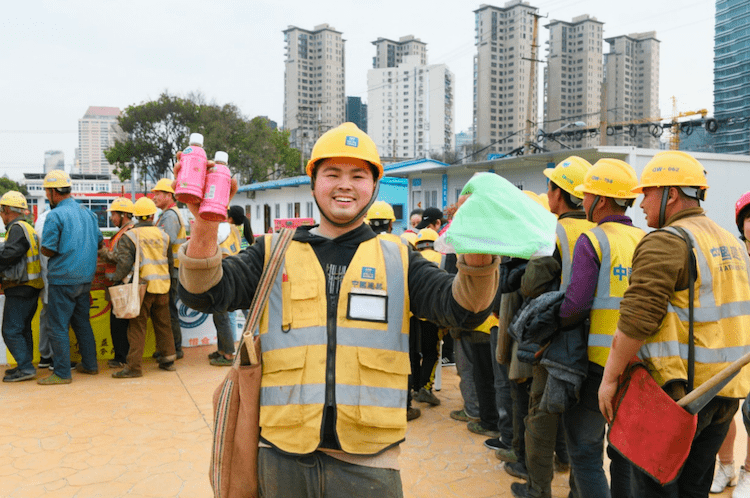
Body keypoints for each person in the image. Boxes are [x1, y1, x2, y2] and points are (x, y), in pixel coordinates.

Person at [177, 122, 499, 498]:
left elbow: (464, 309)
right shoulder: (271, 252)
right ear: (314, 181)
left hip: (368, 462)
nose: (345, 184)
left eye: (358, 175)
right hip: (281, 455)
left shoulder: (398, 258)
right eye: (332, 173)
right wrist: (205, 222)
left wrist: (477, 254)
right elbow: (203, 293)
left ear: (373, 185)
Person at [599, 151, 750, 497]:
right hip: (723, 395)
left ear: (672, 194)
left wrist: (609, 379)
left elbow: (637, 319)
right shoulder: (731, 243)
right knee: (693, 489)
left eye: (647, 193)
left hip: (677, 398)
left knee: (653, 488)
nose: (640, 204)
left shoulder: (667, 241)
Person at [545, 159, 644, 498]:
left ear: (600, 200)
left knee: (585, 450)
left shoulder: (595, 239)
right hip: (639, 366)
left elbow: (575, 305)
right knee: (624, 453)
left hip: (599, 367)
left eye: (586, 194)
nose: (583, 200)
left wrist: (553, 322)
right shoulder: (644, 239)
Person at [507, 156, 594, 491]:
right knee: (583, 430)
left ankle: (537, 488)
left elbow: (531, 286)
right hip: (595, 341)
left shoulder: (553, 233)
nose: (548, 192)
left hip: (556, 341)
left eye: (551, 186)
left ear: (561, 195)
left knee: (540, 418)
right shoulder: (598, 231)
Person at [38, 170, 103, 385]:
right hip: (85, 280)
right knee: (82, 323)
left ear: (53, 192)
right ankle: (90, 365)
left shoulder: (55, 216)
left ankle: (62, 373)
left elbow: (47, 249)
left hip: (62, 280)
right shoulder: (89, 214)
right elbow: (100, 244)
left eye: (47, 191)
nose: (47, 196)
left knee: (57, 326)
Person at [110, 197, 176, 378]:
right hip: (163, 286)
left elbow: (124, 264)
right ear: (153, 215)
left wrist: (116, 282)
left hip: (142, 289)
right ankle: (168, 358)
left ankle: (134, 367)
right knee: (163, 324)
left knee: (137, 327)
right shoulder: (164, 235)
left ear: (136, 216)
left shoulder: (130, 236)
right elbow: (170, 263)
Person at [711, 191, 750, 497]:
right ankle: (726, 466)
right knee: (723, 406)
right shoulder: (732, 253)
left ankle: (749, 471)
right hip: (731, 341)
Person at [0, 191, 44, 382]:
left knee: (10, 330)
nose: (1, 215)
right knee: (23, 329)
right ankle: (24, 365)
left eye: (1, 211)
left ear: (7, 209)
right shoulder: (27, 227)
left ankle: (26, 368)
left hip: (21, 287)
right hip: (30, 285)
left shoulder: (17, 228)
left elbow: (10, 254)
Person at [98, 197, 135, 368]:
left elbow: (120, 258)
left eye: (113, 214)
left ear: (124, 215)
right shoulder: (125, 231)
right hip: (122, 283)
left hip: (121, 284)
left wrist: (103, 251)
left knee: (119, 323)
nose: (111, 218)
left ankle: (121, 356)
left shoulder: (126, 233)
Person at [152, 178, 187, 359]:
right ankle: (170, 347)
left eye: (158, 194)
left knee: (169, 310)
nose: (154, 197)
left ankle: (175, 348)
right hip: (171, 269)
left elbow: (166, 241)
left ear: (168, 195)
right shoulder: (167, 214)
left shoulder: (170, 216)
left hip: (171, 270)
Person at [207, 219, 242, 366]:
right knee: (220, 315)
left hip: (221, 275)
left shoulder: (220, 229)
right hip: (230, 273)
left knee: (221, 316)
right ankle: (222, 350)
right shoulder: (232, 228)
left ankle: (228, 354)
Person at [34, 206, 53, 370]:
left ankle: (45, 356)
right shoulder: (55, 217)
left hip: (44, 275)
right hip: (55, 277)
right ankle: (54, 358)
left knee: (46, 316)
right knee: (56, 320)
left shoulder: (41, 218)